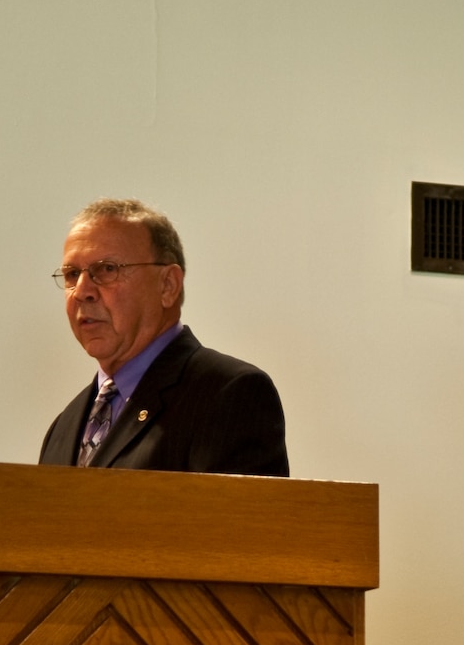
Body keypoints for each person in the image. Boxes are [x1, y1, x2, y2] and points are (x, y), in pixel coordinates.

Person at [39, 199, 289, 476]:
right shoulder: (65, 426)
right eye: (72, 274)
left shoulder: (229, 394)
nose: (82, 290)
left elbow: (239, 519)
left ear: (168, 285)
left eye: (107, 269)